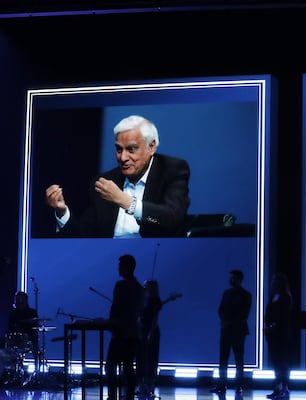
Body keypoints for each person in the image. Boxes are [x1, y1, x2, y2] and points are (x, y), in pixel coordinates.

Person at [45, 114, 191, 238]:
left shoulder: (172, 170)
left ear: (151, 146)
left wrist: (125, 201)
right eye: (119, 149)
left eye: (131, 149)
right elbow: (83, 238)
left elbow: (171, 220)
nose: (123, 157)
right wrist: (62, 211)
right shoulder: (106, 183)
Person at [106, 254, 144, 400]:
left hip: (120, 333)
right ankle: (129, 397)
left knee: (110, 366)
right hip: (133, 333)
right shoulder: (140, 288)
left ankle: (112, 397)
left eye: (120, 266)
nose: (118, 268)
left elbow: (115, 308)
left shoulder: (121, 285)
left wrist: (111, 323)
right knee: (128, 368)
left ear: (127, 267)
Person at [210, 269, 252, 395]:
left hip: (238, 330)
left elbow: (245, 313)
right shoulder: (226, 293)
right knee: (223, 358)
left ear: (239, 279)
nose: (231, 280)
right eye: (231, 278)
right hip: (227, 330)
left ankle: (239, 385)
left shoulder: (246, 295)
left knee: (238, 358)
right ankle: (222, 384)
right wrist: (224, 321)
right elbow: (220, 309)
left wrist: (229, 322)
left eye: (234, 278)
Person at [264, 272, 293, 399]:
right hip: (272, 334)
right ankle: (277, 387)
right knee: (275, 362)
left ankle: (284, 388)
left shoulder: (286, 297)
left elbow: (283, 315)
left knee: (282, 362)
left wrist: (272, 326)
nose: (272, 283)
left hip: (281, 333)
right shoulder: (273, 296)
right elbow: (268, 312)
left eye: (274, 281)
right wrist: (266, 325)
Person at [136, 279, 163, 398]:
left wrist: (150, 333)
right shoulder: (141, 300)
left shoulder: (155, 301)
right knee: (140, 358)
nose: (144, 285)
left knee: (151, 359)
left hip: (150, 331)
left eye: (146, 284)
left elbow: (155, 319)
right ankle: (141, 385)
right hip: (141, 331)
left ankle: (150, 386)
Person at [6, 291, 39, 366]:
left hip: (30, 338)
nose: (20, 302)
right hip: (16, 339)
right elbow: (9, 328)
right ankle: (14, 368)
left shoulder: (32, 312)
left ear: (25, 301)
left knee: (35, 347)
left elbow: (35, 326)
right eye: (18, 300)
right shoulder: (13, 313)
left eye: (22, 300)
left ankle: (37, 368)